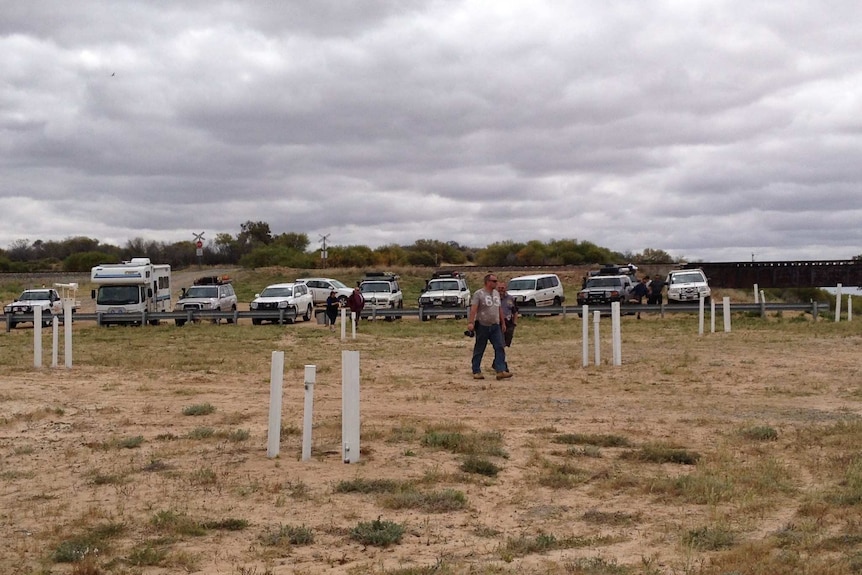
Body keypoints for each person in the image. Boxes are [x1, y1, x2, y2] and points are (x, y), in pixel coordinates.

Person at [467, 273, 512, 381]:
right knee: (480, 348)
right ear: (488, 282)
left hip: (495, 325)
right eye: (494, 281)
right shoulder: (479, 294)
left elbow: (499, 308)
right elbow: (474, 309)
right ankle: (476, 371)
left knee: (500, 347)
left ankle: (500, 370)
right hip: (482, 325)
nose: (496, 283)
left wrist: (503, 322)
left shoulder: (496, 293)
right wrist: (471, 322)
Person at [497, 281, 518, 347]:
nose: (501, 290)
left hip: (508, 322)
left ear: (506, 288)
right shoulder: (494, 298)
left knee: (507, 341)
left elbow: (515, 311)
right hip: (498, 322)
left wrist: (514, 323)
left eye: (502, 288)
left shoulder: (511, 298)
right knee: (500, 342)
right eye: (499, 288)